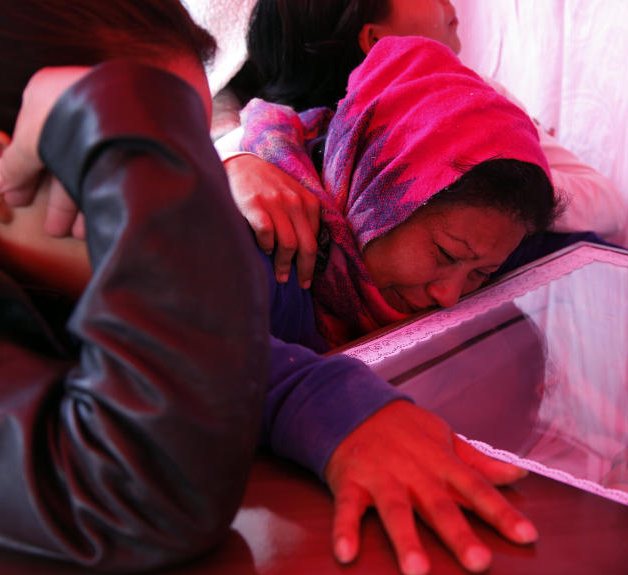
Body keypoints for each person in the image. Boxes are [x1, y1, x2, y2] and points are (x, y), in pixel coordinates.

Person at [0, 0, 538, 575]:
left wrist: (329, 401)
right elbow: (148, 493)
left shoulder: (42, 270)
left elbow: (210, 344)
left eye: (195, 154)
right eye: (156, 158)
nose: (203, 196)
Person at [209, 0, 626, 288]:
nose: (452, 8)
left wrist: (498, 181)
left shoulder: (481, 111)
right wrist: (236, 164)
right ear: (376, 42)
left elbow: (608, 203)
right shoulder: (260, 150)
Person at [235, 35, 561, 348]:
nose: (448, 297)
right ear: (380, 189)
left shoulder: (486, 236)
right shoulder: (264, 257)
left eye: (480, 274)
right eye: (446, 254)